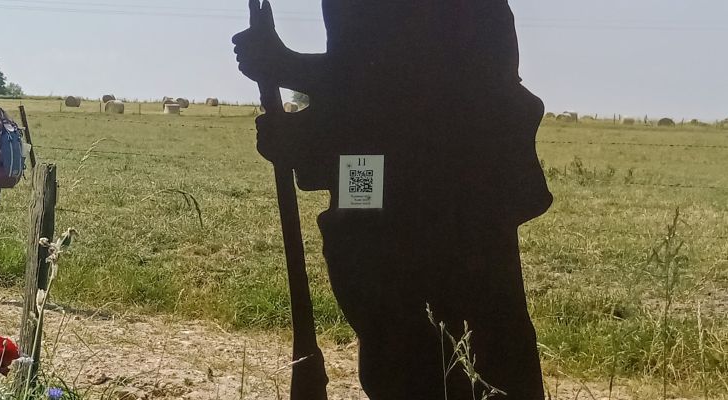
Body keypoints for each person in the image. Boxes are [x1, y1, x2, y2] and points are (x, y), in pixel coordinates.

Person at [234, 0, 551, 398]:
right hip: (366, 165)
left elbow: (411, 74)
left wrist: (287, 66)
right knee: (369, 278)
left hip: (444, 187)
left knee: (439, 338)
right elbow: (370, 75)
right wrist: (308, 135)